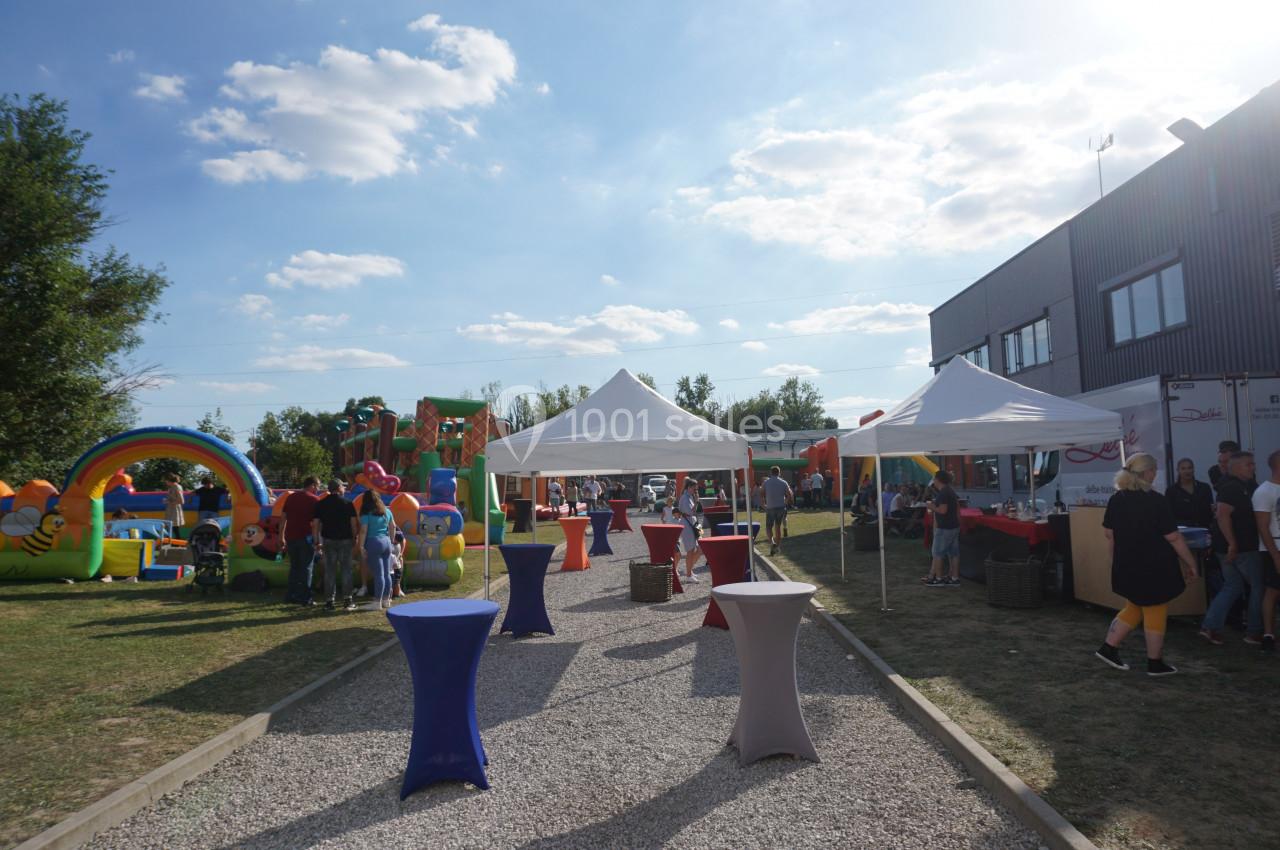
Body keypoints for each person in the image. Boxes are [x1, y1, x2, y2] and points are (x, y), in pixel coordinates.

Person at [1094, 453, 1199, 676]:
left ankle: (1108, 648)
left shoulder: (1117, 499)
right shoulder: (1157, 501)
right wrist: (1191, 562)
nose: (1155, 473)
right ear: (1146, 473)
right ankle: (1154, 662)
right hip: (1154, 565)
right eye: (1154, 469)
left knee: (1135, 605)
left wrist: (1114, 561)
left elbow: (1108, 533)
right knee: (1155, 607)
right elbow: (1174, 537)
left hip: (1127, 563)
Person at [1199, 451, 1264, 645]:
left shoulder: (1248, 485)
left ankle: (1210, 626)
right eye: (1248, 465)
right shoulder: (1231, 488)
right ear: (1235, 468)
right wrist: (1233, 544)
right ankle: (1254, 632)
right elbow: (1222, 515)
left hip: (1235, 547)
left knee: (1233, 586)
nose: (1253, 467)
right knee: (1258, 587)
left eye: (1253, 464)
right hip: (1241, 548)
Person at [311, 479, 358, 611]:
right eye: (343, 486)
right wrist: (355, 537)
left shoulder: (321, 504)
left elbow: (315, 524)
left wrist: (316, 541)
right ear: (338, 488)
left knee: (329, 571)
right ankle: (348, 601)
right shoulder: (348, 503)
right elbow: (353, 523)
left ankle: (329, 602)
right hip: (346, 540)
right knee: (346, 570)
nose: (344, 488)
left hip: (328, 540)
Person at [1253, 449, 1280, 653]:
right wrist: (1275, 555)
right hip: (1275, 546)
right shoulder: (1264, 492)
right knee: (1272, 591)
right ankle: (1268, 634)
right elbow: (1263, 527)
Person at [280, 477, 322, 607]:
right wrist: (317, 541)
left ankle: (291, 594)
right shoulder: (314, 500)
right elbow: (316, 524)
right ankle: (305, 597)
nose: (319, 489)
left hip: (291, 536)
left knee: (294, 567)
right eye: (318, 486)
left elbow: (283, 518)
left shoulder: (291, 497)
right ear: (313, 485)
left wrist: (280, 536)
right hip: (306, 537)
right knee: (307, 568)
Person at [356, 490, 397, 611]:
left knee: (378, 574)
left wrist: (361, 546)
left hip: (373, 542)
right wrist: (391, 540)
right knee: (387, 573)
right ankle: (386, 600)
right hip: (386, 542)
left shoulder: (366, 514)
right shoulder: (387, 511)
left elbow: (363, 531)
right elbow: (393, 526)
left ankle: (377, 602)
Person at [924, 470, 961, 587]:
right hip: (953, 526)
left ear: (938, 480)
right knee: (953, 554)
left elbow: (943, 510)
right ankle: (954, 578)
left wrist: (932, 506)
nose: (933, 480)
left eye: (934, 478)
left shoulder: (943, 493)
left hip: (945, 528)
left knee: (938, 553)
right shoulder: (949, 491)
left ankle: (938, 579)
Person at [762, 465, 794, 555]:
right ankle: (778, 547)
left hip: (770, 507)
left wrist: (763, 504)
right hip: (780, 507)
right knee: (778, 527)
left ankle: (772, 543)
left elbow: (761, 493)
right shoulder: (783, 482)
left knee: (768, 527)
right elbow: (789, 494)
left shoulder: (766, 482)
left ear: (771, 472)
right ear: (779, 473)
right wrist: (785, 502)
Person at [677, 478, 703, 581]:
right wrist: (696, 502)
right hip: (687, 523)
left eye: (696, 489)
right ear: (689, 487)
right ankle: (688, 575)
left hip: (694, 522)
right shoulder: (684, 497)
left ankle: (689, 570)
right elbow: (689, 512)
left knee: (701, 548)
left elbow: (693, 512)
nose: (695, 491)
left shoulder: (690, 496)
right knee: (690, 550)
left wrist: (696, 502)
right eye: (694, 489)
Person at [390, 527, 407, 600]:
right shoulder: (398, 545)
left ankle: (396, 594)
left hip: (395, 567)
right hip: (397, 567)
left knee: (396, 582)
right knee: (396, 582)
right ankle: (396, 593)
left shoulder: (394, 547)